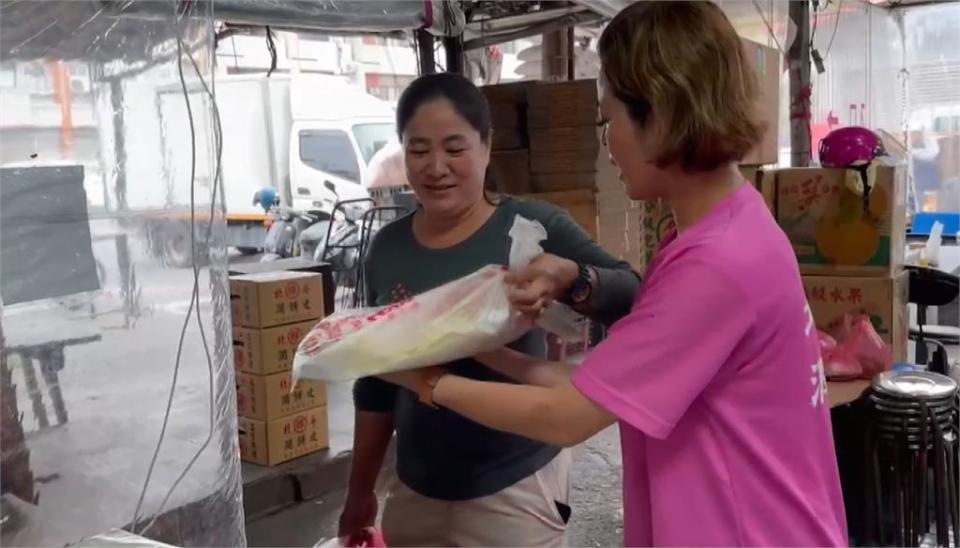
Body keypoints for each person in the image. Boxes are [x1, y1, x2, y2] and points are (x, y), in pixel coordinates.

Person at [377, 2, 849, 546]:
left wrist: (424, 380)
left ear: (664, 110)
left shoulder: (719, 262)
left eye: (609, 120)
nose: (607, 143)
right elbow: (593, 384)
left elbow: (565, 416)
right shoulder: (717, 232)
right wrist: (471, 343)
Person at [339, 72, 640, 547]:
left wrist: (570, 276)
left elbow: (633, 295)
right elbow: (377, 383)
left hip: (515, 491)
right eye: (418, 150)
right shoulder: (387, 248)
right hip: (416, 490)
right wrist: (360, 490)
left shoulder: (532, 226)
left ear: (486, 145)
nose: (436, 167)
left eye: (455, 149)